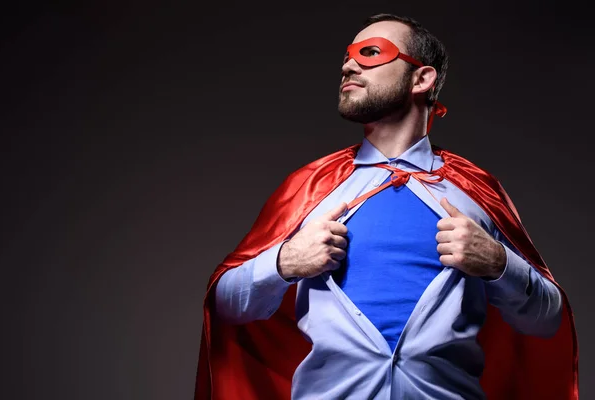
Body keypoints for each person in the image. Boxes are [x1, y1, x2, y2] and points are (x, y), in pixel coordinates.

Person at [194, 13, 578, 400]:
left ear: (422, 78)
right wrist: (284, 262)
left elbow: (547, 322)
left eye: (371, 53)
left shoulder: (475, 190)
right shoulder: (309, 186)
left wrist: (499, 263)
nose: (348, 65)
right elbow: (226, 307)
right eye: (346, 56)